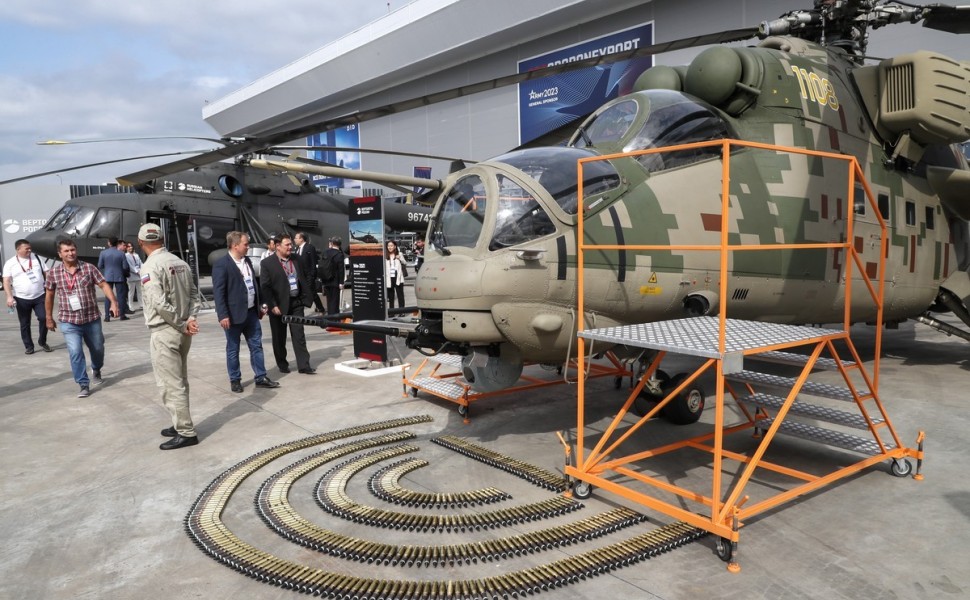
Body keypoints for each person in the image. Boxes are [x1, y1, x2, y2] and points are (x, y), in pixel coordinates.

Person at [138, 223, 201, 450]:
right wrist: (190, 318)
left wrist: (181, 324)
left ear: (140, 242)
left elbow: (159, 302)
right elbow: (194, 293)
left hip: (166, 330)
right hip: (183, 331)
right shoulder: (180, 262)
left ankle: (185, 431)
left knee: (170, 384)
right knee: (180, 380)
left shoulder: (149, 267)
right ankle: (179, 422)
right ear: (162, 239)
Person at [44, 239, 120, 398]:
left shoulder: (89, 268)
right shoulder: (54, 273)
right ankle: (83, 383)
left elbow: (104, 285)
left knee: (98, 349)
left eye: (72, 250)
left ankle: (96, 368)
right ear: (60, 254)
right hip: (68, 320)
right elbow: (49, 295)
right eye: (66, 251)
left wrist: (113, 302)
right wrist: (48, 317)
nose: (70, 253)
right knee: (75, 351)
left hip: (91, 318)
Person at [212, 231, 281, 393]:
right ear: (235, 245)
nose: (248, 247)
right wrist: (223, 315)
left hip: (251, 313)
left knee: (256, 346)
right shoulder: (222, 265)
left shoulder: (247, 261)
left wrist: (262, 303)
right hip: (233, 315)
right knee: (233, 349)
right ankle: (235, 379)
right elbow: (219, 293)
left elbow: (254, 285)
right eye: (245, 244)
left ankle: (261, 377)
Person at [259, 233, 315, 375]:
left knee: (299, 334)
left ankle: (304, 365)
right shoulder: (267, 263)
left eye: (291, 244)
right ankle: (282, 364)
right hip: (278, 305)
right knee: (279, 337)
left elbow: (306, 275)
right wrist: (273, 305)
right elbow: (265, 287)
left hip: (296, 303)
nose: (291, 247)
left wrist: (305, 295)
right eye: (287, 245)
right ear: (277, 246)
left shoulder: (297, 259)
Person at [3, 239, 51, 354]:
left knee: (44, 318)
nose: (29, 250)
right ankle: (29, 346)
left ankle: (42, 341)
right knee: (25, 323)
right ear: (18, 249)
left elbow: (46, 272)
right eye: (27, 249)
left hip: (40, 296)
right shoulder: (10, 263)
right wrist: (9, 297)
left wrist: (49, 284)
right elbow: (6, 281)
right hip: (21, 298)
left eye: (30, 248)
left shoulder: (37, 258)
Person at [97, 237, 130, 321]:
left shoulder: (103, 253)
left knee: (108, 296)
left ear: (109, 243)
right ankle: (122, 315)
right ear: (117, 243)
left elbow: (100, 265)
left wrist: (106, 271)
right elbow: (125, 266)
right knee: (121, 296)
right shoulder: (121, 253)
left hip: (107, 276)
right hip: (119, 276)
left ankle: (107, 317)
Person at [294, 231, 325, 314]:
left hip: (308, 275)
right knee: (300, 294)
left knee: (312, 293)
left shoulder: (309, 247)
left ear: (301, 239)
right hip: (299, 276)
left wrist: (312, 276)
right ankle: (300, 311)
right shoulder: (297, 249)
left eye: (296, 238)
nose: (294, 240)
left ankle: (320, 308)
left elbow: (313, 262)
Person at [318, 236, 346, 316]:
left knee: (329, 300)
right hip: (335, 281)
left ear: (332, 243)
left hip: (326, 280)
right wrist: (341, 282)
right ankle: (335, 319)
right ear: (340, 244)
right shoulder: (339, 254)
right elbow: (341, 270)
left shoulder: (325, 252)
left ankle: (329, 318)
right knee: (335, 301)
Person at [385, 240, 407, 309]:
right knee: (391, 296)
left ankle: (401, 311)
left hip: (398, 277)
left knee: (400, 295)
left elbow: (405, 263)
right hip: (389, 278)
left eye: (391, 246)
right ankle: (392, 311)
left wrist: (400, 258)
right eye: (388, 246)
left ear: (395, 246)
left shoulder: (399, 254)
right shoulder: (385, 255)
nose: (390, 247)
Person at [125, 241, 142, 313]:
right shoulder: (126, 255)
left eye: (131, 246)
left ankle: (141, 304)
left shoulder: (136, 255)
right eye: (128, 246)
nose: (130, 247)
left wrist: (142, 270)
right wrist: (137, 271)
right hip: (131, 276)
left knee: (140, 291)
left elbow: (141, 263)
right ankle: (131, 306)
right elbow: (129, 266)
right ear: (126, 248)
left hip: (138, 276)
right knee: (131, 292)